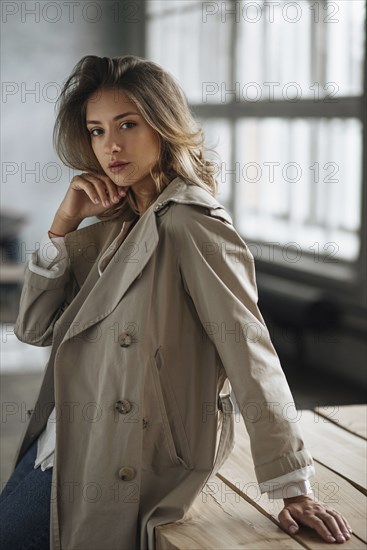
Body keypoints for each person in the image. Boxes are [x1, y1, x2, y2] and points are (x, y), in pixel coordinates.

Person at [0, 55, 352, 550]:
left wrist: (293, 488)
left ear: (164, 127)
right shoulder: (117, 222)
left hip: (119, 453)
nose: (111, 146)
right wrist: (62, 226)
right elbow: (33, 330)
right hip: (62, 439)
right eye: (97, 130)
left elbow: (251, 353)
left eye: (128, 124)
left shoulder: (192, 223)